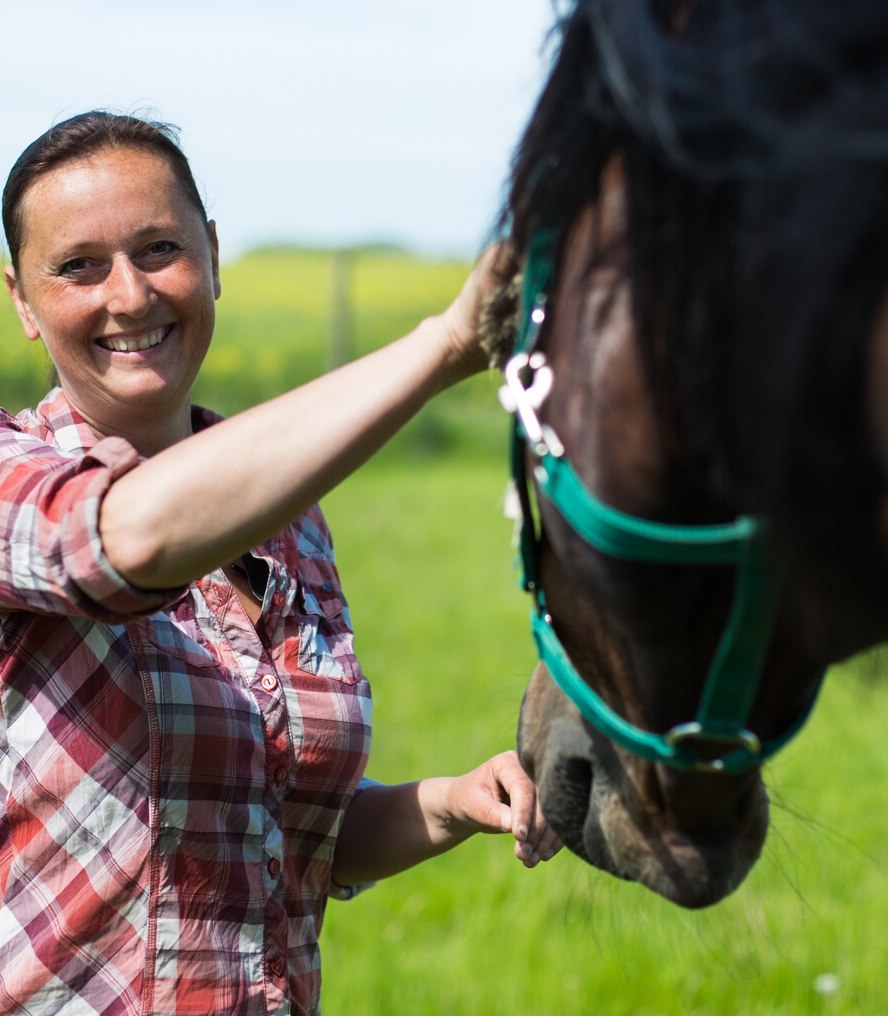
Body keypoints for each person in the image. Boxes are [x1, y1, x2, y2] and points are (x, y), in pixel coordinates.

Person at [0, 110, 561, 1016]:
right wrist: (446, 344)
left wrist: (451, 802)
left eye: (158, 248)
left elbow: (284, 831)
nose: (130, 295)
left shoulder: (289, 523)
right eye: (79, 267)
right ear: (23, 301)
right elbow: (125, 541)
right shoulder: (14, 480)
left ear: (214, 256)